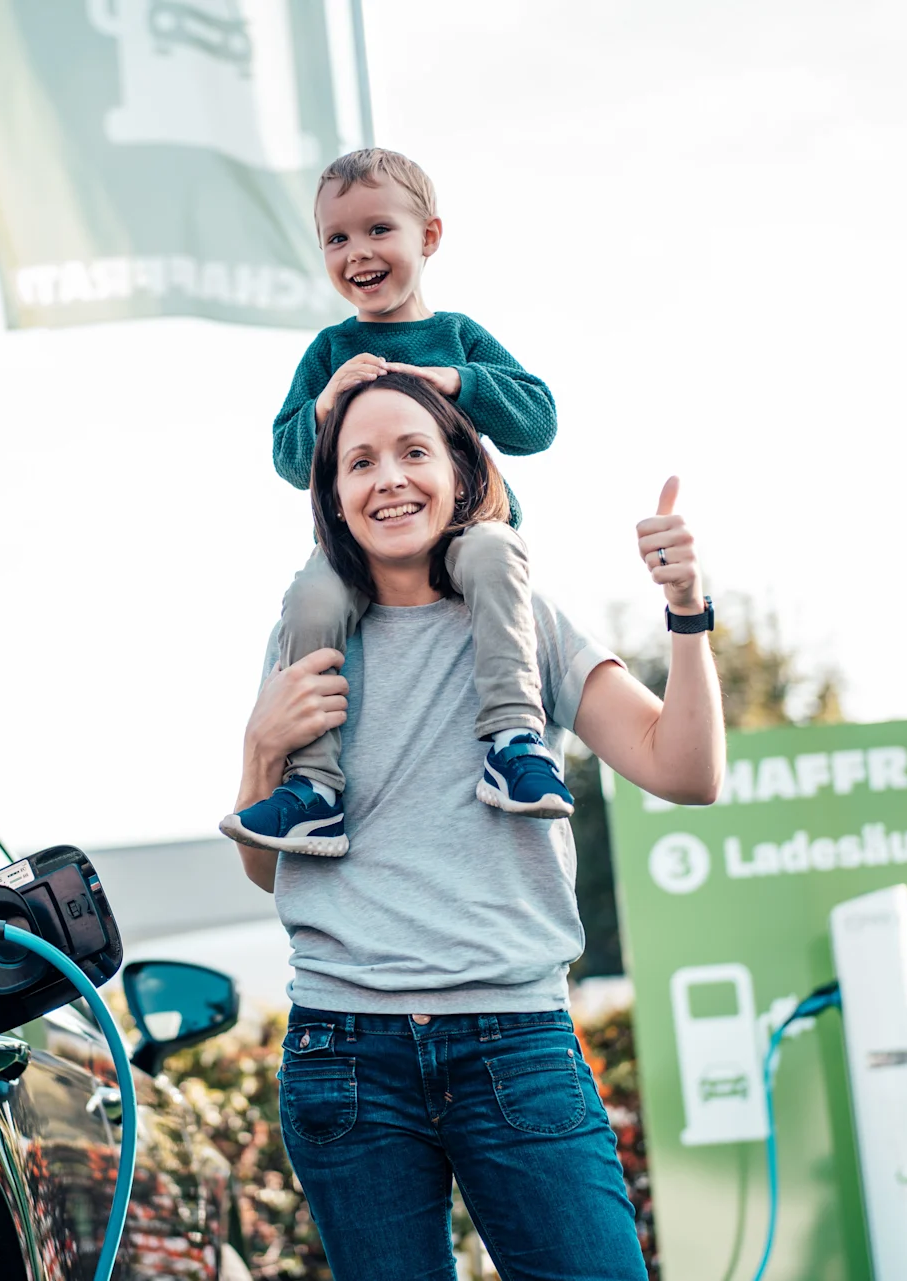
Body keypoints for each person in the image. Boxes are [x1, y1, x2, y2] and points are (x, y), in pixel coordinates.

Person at [228, 372, 724, 1280]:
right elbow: (271, 872)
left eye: (414, 452)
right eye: (360, 461)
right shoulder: (307, 632)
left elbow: (686, 771)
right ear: (333, 496)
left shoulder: (527, 621)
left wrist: (686, 610)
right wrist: (260, 750)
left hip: (517, 1041)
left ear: (460, 470)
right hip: (345, 1054)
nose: (389, 479)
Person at [220, 148, 572, 859]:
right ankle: (315, 789)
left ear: (429, 238)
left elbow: (538, 421)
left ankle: (513, 740)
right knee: (311, 596)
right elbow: (290, 461)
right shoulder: (329, 350)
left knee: (496, 550)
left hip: (463, 533)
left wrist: (456, 381)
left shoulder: (457, 337)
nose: (359, 253)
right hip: (363, 553)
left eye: (379, 229)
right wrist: (323, 406)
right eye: (337, 239)